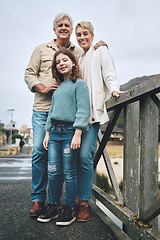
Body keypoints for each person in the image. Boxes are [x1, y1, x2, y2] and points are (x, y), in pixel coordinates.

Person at [25, 12, 106, 217]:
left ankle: (75, 203)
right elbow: (28, 74)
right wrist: (42, 88)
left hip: (70, 117)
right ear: (54, 29)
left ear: (70, 30)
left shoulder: (78, 51)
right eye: (59, 25)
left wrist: (99, 46)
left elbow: (88, 58)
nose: (63, 28)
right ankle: (39, 200)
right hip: (44, 110)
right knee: (40, 153)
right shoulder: (41, 49)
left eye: (67, 26)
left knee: (75, 160)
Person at [75, 21, 124, 222]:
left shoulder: (100, 50)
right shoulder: (79, 58)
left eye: (85, 33)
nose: (82, 37)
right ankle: (75, 198)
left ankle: (84, 202)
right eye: (78, 34)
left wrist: (114, 89)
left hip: (92, 116)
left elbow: (109, 73)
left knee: (85, 157)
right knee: (74, 158)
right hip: (75, 115)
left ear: (92, 35)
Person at [37, 48, 90, 226]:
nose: (61, 64)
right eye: (58, 62)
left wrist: (78, 132)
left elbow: (83, 109)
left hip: (69, 132)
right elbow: (51, 112)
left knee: (69, 171)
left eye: (65, 60)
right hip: (54, 133)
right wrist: (47, 132)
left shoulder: (79, 84)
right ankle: (53, 206)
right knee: (53, 170)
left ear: (73, 62)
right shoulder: (58, 88)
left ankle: (68, 209)